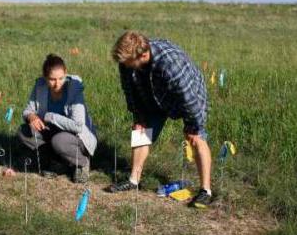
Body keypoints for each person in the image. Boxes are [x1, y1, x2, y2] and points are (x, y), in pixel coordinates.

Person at [109, 31, 214, 208]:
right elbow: (129, 91)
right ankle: (133, 181)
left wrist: (193, 127)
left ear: (143, 55)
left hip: (189, 94)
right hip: (152, 94)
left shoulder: (171, 63)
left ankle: (205, 191)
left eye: (128, 63)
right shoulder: (126, 62)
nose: (124, 66)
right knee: (141, 131)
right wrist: (138, 115)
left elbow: (189, 99)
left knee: (197, 139)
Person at [18, 54, 97, 183]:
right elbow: (28, 110)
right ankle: (56, 162)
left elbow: (78, 126)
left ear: (66, 73)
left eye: (61, 78)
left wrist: (51, 116)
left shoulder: (75, 89)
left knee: (59, 141)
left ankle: (82, 163)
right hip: (52, 132)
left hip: (77, 137)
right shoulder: (40, 86)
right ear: (45, 77)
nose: (57, 84)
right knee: (24, 131)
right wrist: (31, 117)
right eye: (52, 79)